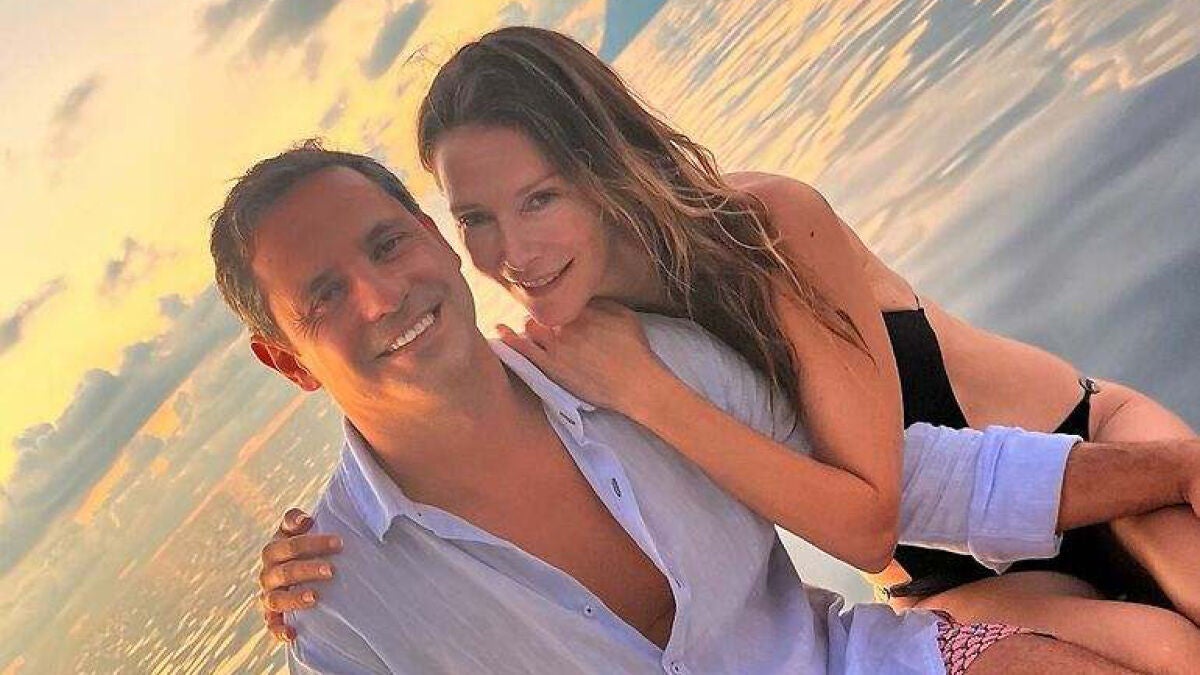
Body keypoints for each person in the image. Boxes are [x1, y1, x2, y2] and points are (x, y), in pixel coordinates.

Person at [255, 26, 1200, 670]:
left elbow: (891, 502)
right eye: (479, 219)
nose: (515, 253)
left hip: (1071, 449)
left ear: (602, 168)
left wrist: (648, 392)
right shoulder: (583, 344)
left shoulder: (755, 238)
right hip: (927, 573)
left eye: (540, 198)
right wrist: (339, 578)